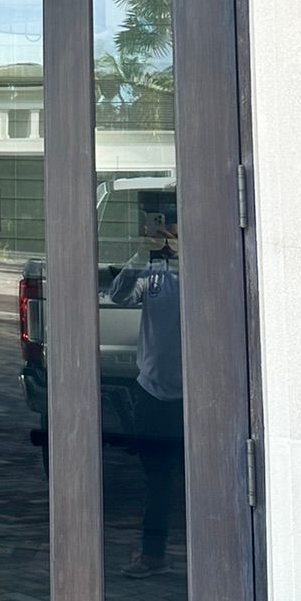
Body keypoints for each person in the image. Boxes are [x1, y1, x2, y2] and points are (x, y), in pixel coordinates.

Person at [107, 197, 183, 577]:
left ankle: (212, 557)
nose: (166, 233)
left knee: (202, 477)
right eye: (162, 226)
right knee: (156, 479)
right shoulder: (153, 273)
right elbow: (119, 296)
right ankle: (153, 555)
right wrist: (141, 254)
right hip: (152, 391)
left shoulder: (199, 266)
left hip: (196, 395)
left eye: (172, 226)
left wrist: (184, 254)